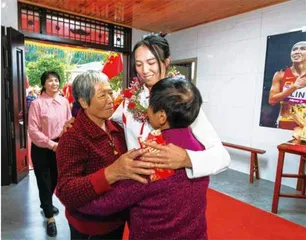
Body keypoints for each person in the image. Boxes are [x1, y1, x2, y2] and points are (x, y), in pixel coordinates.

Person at [63, 34, 231, 181]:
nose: (144, 70)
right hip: (136, 188)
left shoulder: (181, 102)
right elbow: (104, 116)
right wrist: (77, 120)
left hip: (172, 188)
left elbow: (222, 157)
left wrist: (187, 159)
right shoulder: (129, 100)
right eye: (139, 64)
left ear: (166, 62)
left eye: (151, 62)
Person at [78, 77, 209, 240]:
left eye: (150, 105)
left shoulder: (150, 158)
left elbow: (108, 202)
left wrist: (75, 199)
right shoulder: (201, 149)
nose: (146, 111)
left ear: (161, 117)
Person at [56, 70, 155, 239]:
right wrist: (112, 172)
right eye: (102, 95)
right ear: (83, 102)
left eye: (111, 93)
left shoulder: (116, 129)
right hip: (89, 226)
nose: (111, 100)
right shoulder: (73, 137)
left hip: (117, 218)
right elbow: (66, 192)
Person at [28, 71, 71, 237]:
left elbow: (69, 123)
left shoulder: (64, 101)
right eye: (50, 81)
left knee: (56, 179)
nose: (53, 83)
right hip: (42, 149)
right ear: (43, 84)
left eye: (56, 80)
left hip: (60, 146)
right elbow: (33, 130)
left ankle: (46, 203)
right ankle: (50, 218)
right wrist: (51, 144)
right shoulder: (37, 104)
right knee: (44, 182)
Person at [269, 41, 306, 129]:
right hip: (286, 121)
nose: (297, 51)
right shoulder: (281, 74)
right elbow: (272, 100)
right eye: (294, 49)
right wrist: (294, 87)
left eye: (303, 49)